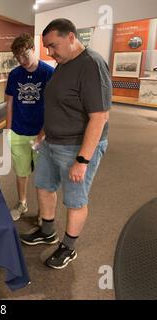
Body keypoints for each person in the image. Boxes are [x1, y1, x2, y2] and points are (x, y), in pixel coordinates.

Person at [20, 19, 111, 270]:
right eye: (46, 47)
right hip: (52, 141)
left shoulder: (91, 65)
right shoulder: (63, 63)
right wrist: (42, 133)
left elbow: (100, 117)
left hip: (76, 147)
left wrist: (83, 160)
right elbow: (56, 103)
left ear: (71, 37)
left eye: (53, 45)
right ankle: (47, 231)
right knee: (44, 186)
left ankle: (68, 248)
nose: (50, 52)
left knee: (75, 200)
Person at [5, 33, 54, 221]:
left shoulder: (48, 73)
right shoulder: (14, 75)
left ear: (34, 49)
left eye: (25, 54)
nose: (22, 60)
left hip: (41, 133)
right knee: (21, 171)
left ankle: (44, 211)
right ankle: (22, 203)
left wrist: (43, 134)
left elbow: (54, 106)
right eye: (17, 57)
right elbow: (9, 103)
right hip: (18, 131)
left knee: (43, 176)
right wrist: (8, 130)